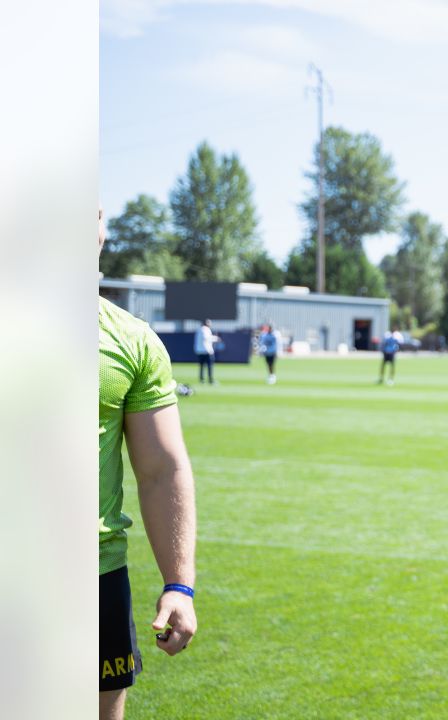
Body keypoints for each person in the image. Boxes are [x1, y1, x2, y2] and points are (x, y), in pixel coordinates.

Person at [98, 206, 199, 720]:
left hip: (93, 577)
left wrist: (179, 584)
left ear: (99, 225)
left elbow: (162, 469)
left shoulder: (132, 340)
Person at [192, 319, 219, 385]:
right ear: (206, 323)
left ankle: (202, 379)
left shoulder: (199, 329)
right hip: (207, 351)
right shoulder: (206, 329)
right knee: (209, 366)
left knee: (201, 366)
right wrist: (216, 338)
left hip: (200, 351)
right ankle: (210, 380)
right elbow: (207, 338)